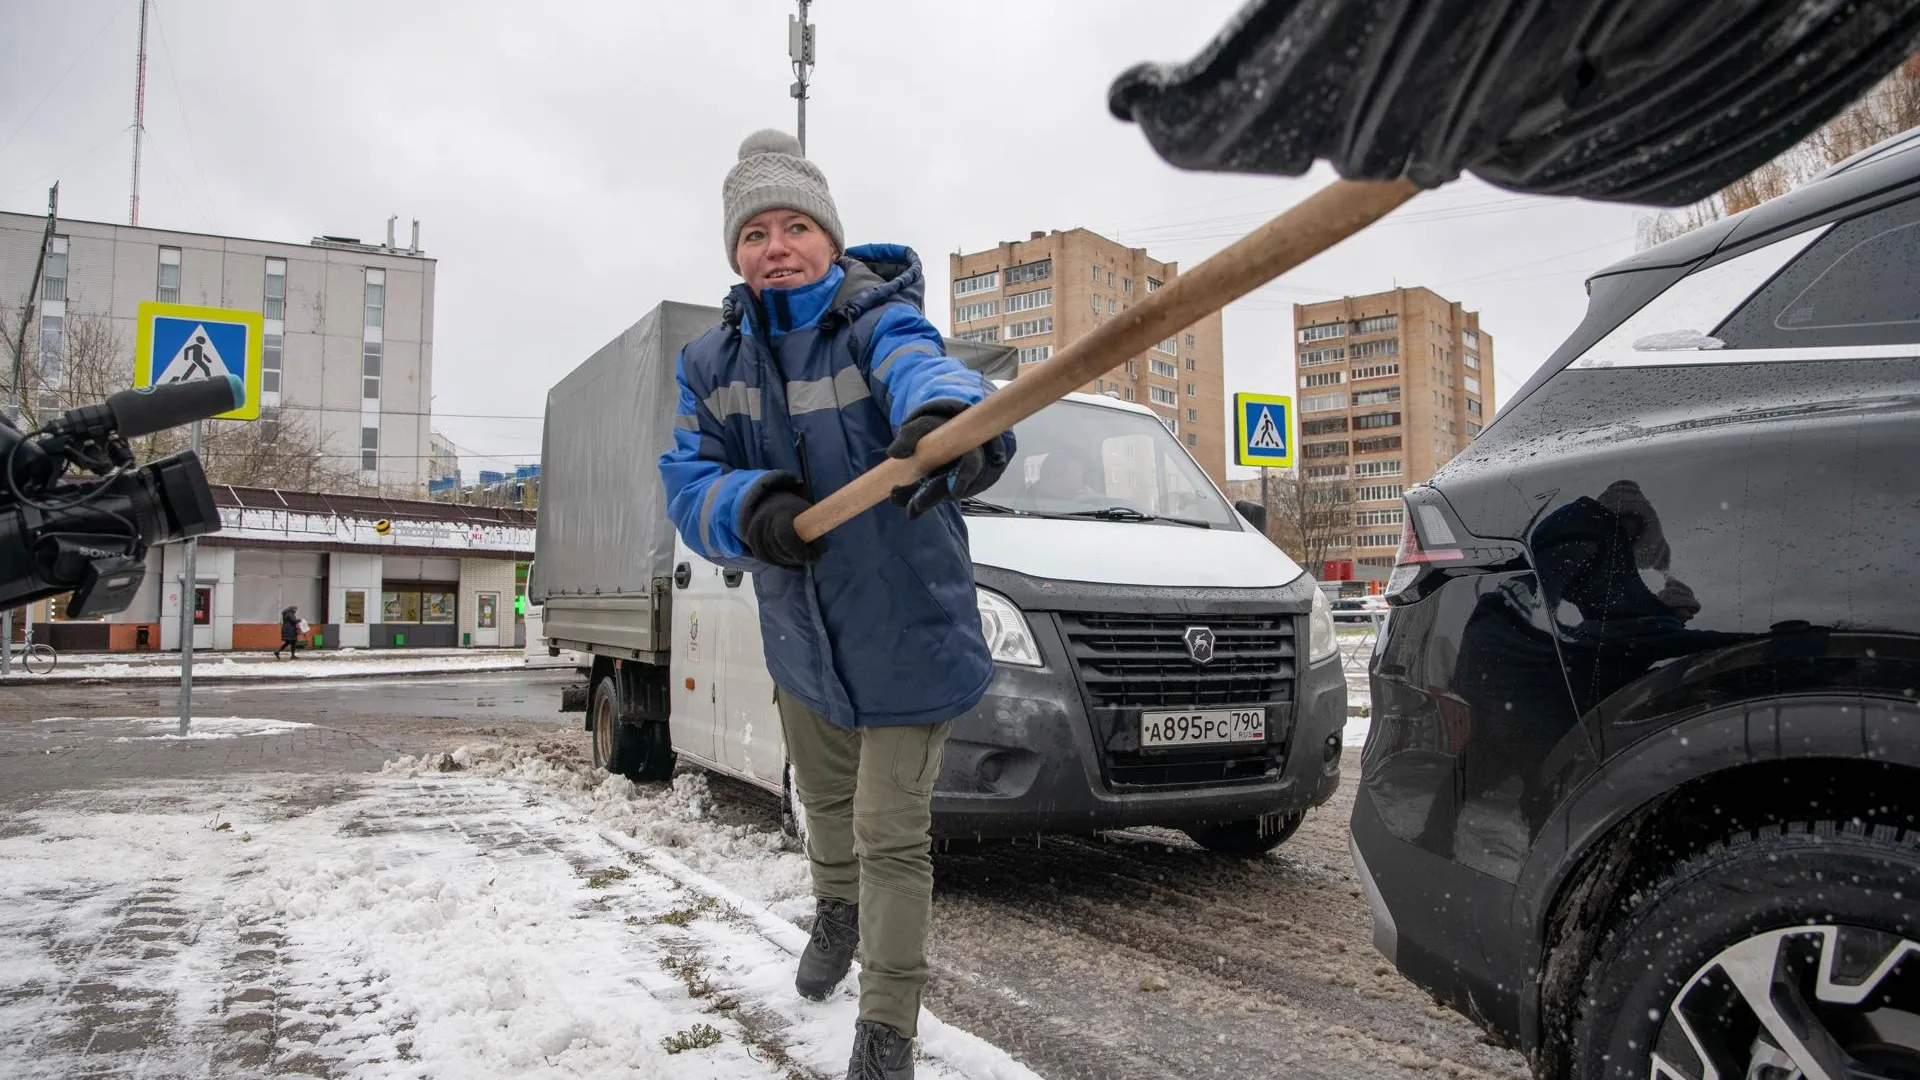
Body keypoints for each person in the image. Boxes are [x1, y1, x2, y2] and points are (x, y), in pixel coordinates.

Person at [657, 129, 1012, 1080]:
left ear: (829, 237)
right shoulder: (709, 366)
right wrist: (751, 506)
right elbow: (690, 483)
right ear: (735, 251)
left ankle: (886, 1026)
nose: (776, 246)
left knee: (890, 834)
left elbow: (926, 375)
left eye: (795, 226)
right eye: (755, 232)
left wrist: (950, 429)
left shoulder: (875, 322)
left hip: (905, 625)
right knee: (824, 803)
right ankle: (836, 909)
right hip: (801, 631)